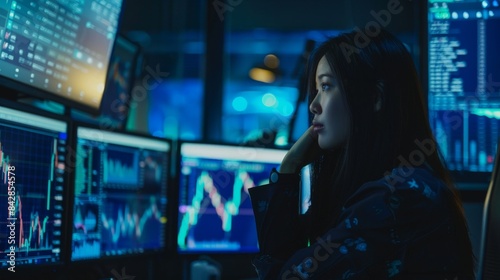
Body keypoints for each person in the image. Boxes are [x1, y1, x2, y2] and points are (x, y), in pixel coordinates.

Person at [248, 29, 475, 279]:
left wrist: (289, 169)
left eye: (326, 86)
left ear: (375, 98)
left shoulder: (399, 196)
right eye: (317, 88)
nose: (314, 105)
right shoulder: (388, 188)